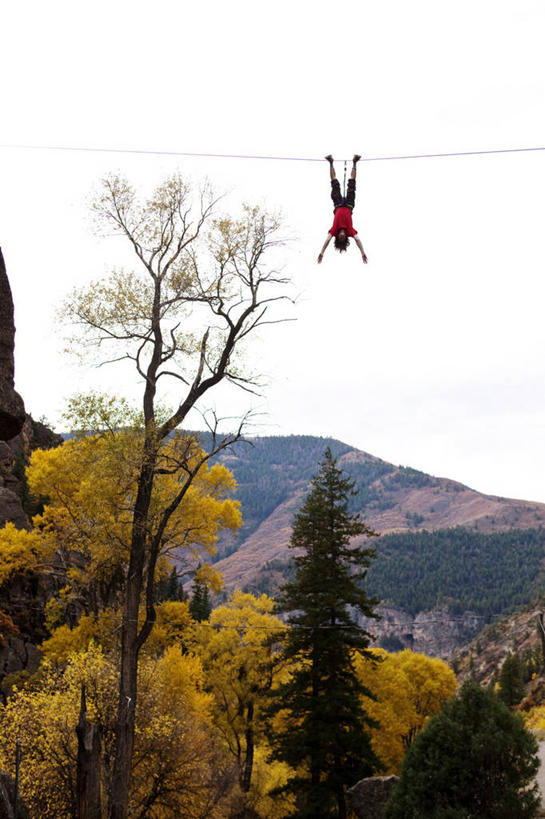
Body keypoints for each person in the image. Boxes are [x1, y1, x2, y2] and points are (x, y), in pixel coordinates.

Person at [317, 154, 368, 264]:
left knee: (334, 184)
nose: (342, 235)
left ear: (337, 237)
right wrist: (363, 253)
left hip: (338, 204)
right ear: (345, 237)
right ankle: (355, 162)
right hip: (349, 205)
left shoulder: (334, 230)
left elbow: (327, 240)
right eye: (343, 238)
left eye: (339, 237)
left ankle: (331, 162)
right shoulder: (350, 231)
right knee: (352, 184)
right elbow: (358, 240)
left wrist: (321, 252)